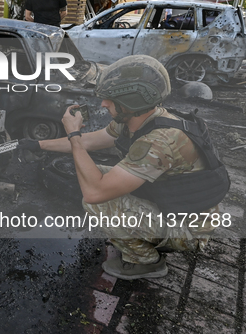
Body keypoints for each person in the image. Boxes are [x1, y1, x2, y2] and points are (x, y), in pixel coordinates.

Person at [18, 55, 230, 280]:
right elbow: (91, 141)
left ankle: (147, 263)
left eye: (109, 99)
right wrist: (39, 144)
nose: (103, 104)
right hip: (173, 203)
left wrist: (73, 134)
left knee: (98, 203)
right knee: (93, 173)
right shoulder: (141, 118)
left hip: (190, 229)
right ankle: (139, 234)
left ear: (130, 102)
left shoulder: (158, 142)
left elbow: (94, 192)